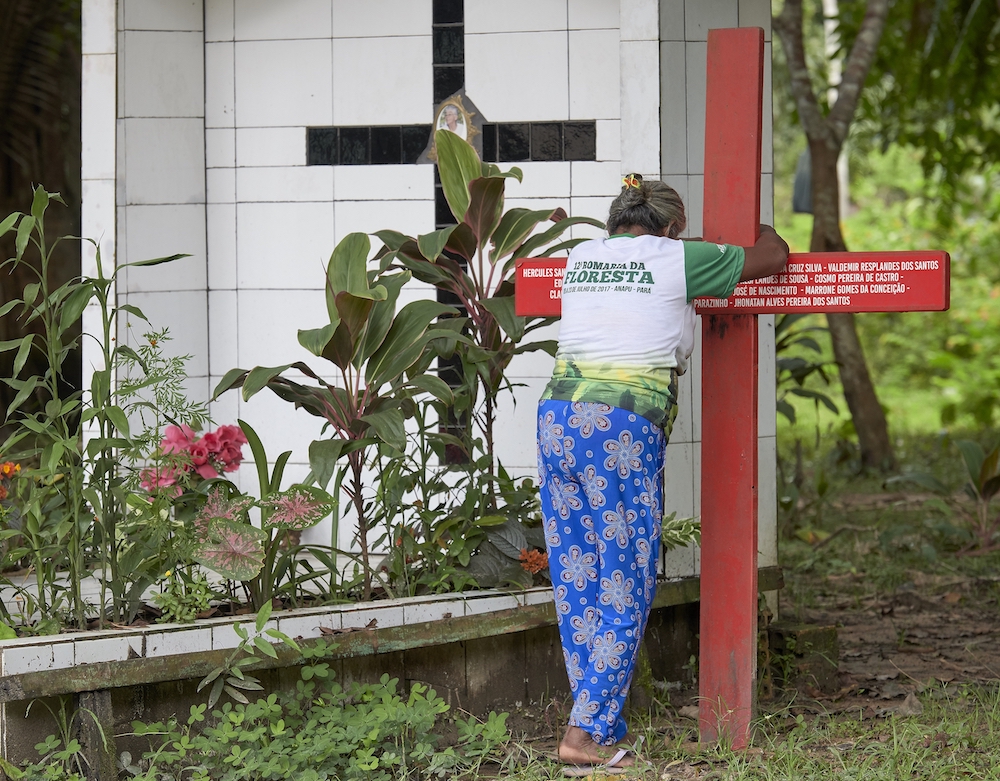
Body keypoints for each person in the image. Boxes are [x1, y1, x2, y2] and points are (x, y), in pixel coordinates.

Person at [537, 173, 788, 774]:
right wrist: (755, 234)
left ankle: (600, 726)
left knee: (581, 578)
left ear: (615, 221)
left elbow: (637, 266)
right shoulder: (679, 259)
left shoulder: (581, 257)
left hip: (556, 419)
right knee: (627, 579)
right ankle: (582, 733)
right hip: (620, 424)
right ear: (673, 227)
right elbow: (773, 257)